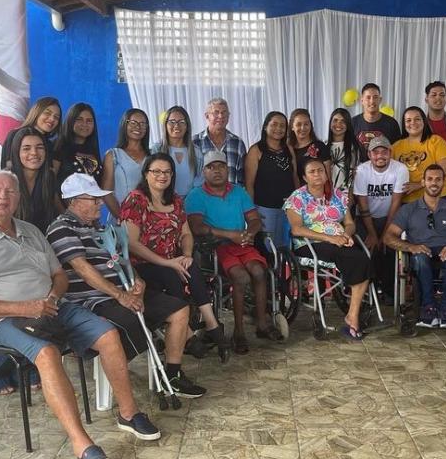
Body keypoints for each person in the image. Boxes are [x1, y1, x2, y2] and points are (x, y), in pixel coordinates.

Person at [0, 171, 158, 459]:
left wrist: (51, 298)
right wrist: (25, 306)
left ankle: (128, 413)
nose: (3, 197)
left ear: (19, 198)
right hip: (1, 319)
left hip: (50, 306)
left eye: (10, 191)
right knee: (46, 354)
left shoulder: (31, 231)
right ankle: (81, 444)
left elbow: (59, 276)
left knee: (109, 334)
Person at [48, 173, 206, 399]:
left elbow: (120, 259)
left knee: (180, 309)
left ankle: (173, 375)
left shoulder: (98, 227)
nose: (100, 203)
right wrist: (120, 295)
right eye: (94, 199)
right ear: (74, 201)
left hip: (120, 291)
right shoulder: (61, 228)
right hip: (94, 299)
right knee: (133, 319)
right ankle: (124, 379)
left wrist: (137, 280)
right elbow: (83, 269)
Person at [119, 154, 231, 360]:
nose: (162, 176)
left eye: (167, 172)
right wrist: (168, 262)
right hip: (141, 265)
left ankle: (212, 325)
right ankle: (187, 333)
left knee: (191, 266)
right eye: (156, 171)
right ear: (146, 174)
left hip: (172, 261)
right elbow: (131, 244)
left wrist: (187, 255)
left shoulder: (176, 200)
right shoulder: (135, 199)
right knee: (171, 273)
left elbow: (186, 233)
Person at [186, 151, 283, 352]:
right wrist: (230, 235)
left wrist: (250, 233)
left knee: (258, 271)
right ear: (203, 172)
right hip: (215, 248)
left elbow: (255, 219)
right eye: (211, 167)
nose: (217, 171)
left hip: (242, 244)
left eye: (221, 166)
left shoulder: (238, 192)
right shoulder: (196, 195)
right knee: (240, 277)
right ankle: (238, 332)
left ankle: (262, 325)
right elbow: (197, 228)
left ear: (227, 169)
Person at [284, 159, 373, 341]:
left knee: (363, 258)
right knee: (355, 259)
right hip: (310, 243)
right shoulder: (297, 198)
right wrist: (331, 238)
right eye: (312, 172)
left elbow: (349, 223)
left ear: (326, 173)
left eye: (320, 170)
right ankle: (353, 317)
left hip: (340, 241)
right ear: (304, 177)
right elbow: (296, 229)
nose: (317, 174)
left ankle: (352, 314)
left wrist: (346, 236)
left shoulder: (338, 195)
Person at [385, 165, 446, 331]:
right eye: (430, 179)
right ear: (423, 182)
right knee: (419, 260)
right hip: (420, 251)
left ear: (444, 182)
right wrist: (410, 247)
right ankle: (429, 307)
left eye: (438, 179)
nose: (434, 183)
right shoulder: (408, 209)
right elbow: (389, 236)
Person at [353, 137, 409, 290]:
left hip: (389, 216)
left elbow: (396, 204)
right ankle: (368, 289)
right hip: (365, 218)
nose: (380, 156)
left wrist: (385, 234)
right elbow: (362, 204)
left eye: (384, 152)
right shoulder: (361, 170)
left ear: (390, 153)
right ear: (369, 154)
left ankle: (389, 289)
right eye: (375, 152)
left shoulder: (400, 169)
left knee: (389, 247)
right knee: (366, 248)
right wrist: (372, 234)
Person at [244, 111, 298, 248]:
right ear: (265, 126)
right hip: (264, 209)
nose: (278, 129)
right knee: (268, 249)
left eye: (282, 126)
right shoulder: (256, 150)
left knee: (286, 249)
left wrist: (298, 204)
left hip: (288, 209)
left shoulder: (289, 149)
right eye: (274, 124)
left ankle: (283, 271)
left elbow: (295, 177)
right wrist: (251, 211)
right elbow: (249, 184)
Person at [392, 106, 446, 203]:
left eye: (417, 119)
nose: (413, 123)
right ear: (404, 124)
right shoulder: (395, 147)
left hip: (438, 197)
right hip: (408, 200)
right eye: (408, 120)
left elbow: (445, 169)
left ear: (424, 121)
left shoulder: (436, 141)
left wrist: (419, 185)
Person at [6, 126, 59, 234]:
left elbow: (59, 211)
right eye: (26, 148)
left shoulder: (49, 177)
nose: (34, 153)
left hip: (41, 242)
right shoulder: (5, 179)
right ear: (17, 152)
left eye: (39, 147)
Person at [102, 107, 150, 219]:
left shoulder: (152, 156)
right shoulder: (113, 155)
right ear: (125, 124)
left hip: (149, 220)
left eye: (143, 124)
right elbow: (106, 193)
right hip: (120, 219)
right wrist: (123, 219)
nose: (138, 127)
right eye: (133, 122)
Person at [192, 97, 248, 184]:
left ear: (228, 116)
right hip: (202, 196)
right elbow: (191, 175)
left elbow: (243, 178)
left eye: (224, 112)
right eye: (216, 112)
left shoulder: (238, 143)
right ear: (207, 116)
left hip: (232, 196)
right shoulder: (195, 142)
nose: (221, 116)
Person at [0, 97, 61, 168]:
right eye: (47, 113)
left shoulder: (50, 145)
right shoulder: (15, 135)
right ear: (36, 112)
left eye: (56, 117)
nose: (52, 119)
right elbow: (7, 168)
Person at [154, 105, 199, 198]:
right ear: (165, 125)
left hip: (190, 205)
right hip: (163, 205)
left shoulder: (196, 152)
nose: (176, 125)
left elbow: (199, 183)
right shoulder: (156, 150)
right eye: (172, 122)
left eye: (181, 122)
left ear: (187, 126)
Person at [52, 102, 102, 187]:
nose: (84, 124)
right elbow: (50, 182)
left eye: (89, 121)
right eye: (79, 119)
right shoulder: (58, 146)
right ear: (70, 120)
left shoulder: (93, 149)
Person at [351, 83, 401, 160]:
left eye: (375, 97)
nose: (372, 101)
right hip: (359, 170)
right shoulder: (353, 123)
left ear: (380, 100)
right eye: (368, 97)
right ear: (362, 100)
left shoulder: (391, 123)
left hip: (384, 169)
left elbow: (397, 151)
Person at [288, 108, 331, 184]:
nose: (303, 128)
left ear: (311, 125)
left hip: (318, 192)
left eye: (306, 124)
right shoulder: (287, 148)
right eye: (298, 124)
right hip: (296, 193)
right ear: (292, 127)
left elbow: (328, 177)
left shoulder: (320, 146)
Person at [327, 107, 360, 194]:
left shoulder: (354, 147)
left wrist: (351, 196)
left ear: (348, 125)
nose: (338, 124)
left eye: (343, 121)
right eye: (335, 120)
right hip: (326, 194)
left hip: (346, 195)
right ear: (330, 123)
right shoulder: (323, 145)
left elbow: (355, 175)